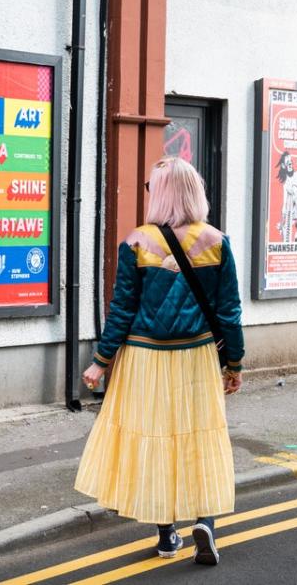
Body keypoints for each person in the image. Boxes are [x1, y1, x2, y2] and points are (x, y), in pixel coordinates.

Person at [74, 156, 244, 566]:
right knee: (199, 437)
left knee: (153, 442)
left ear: (159, 194)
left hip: (144, 360)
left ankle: (167, 535)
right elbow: (229, 311)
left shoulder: (137, 242)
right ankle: (205, 521)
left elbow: (121, 309)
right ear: (194, 193)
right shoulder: (217, 242)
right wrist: (234, 363)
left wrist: (101, 360)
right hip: (197, 356)